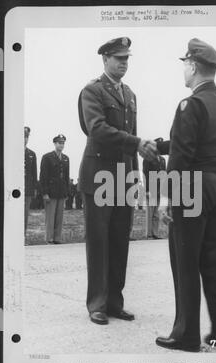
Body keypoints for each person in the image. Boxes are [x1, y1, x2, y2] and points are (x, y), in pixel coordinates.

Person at [155, 38, 216, 352]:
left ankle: (185, 335)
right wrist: (158, 144)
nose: (184, 70)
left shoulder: (189, 103)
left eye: (185, 64)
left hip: (194, 186)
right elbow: (199, 143)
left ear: (193, 66)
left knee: (186, 261)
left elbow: (181, 157)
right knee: (214, 259)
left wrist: (166, 198)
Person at [78, 37, 158, 325]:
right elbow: (97, 129)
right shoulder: (93, 90)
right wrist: (137, 143)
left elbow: (131, 145)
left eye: (127, 58)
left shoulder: (131, 94)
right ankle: (97, 304)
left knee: (119, 242)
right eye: (118, 58)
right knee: (99, 242)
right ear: (105, 60)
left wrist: (136, 180)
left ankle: (114, 302)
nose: (124, 62)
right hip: (99, 177)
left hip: (124, 180)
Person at [40, 134, 70, 244]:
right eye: (59, 143)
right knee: (50, 216)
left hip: (61, 191)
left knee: (59, 216)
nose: (61, 145)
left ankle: (57, 238)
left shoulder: (66, 158)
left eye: (63, 143)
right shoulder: (47, 157)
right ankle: (49, 238)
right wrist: (45, 193)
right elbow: (43, 176)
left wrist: (67, 192)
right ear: (54, 143)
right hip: (50, 192)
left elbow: (66, 177)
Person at [143, 152, 166, 239]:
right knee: (150, 212)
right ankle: (149, 234)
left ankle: (155, 233)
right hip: (151, 188)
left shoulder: (163, 160)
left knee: (156, 213)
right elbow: (145, 174)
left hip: (160, 188)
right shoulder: (147, 159)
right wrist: (147, 189)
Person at [24, 127, 37, 238]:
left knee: (25, 214)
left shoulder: (31, 154)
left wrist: (34, 189)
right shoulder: (12, 152)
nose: (25, 139)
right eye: (23, 136)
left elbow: (34, 174)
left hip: (27, 189)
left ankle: (22, 236)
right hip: (14, 189)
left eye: (27, 136)